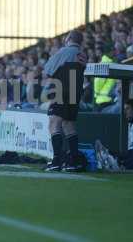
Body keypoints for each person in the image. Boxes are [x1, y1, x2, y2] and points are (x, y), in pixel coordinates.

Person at [44, 30, 87, 172]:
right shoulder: (82, 54)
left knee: (53, 123)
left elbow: (48, 70)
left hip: (61, 90)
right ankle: (73, 161)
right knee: (69, 125)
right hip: (75, 92)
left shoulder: (64, 52)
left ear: (68, 39)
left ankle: (57, 160)